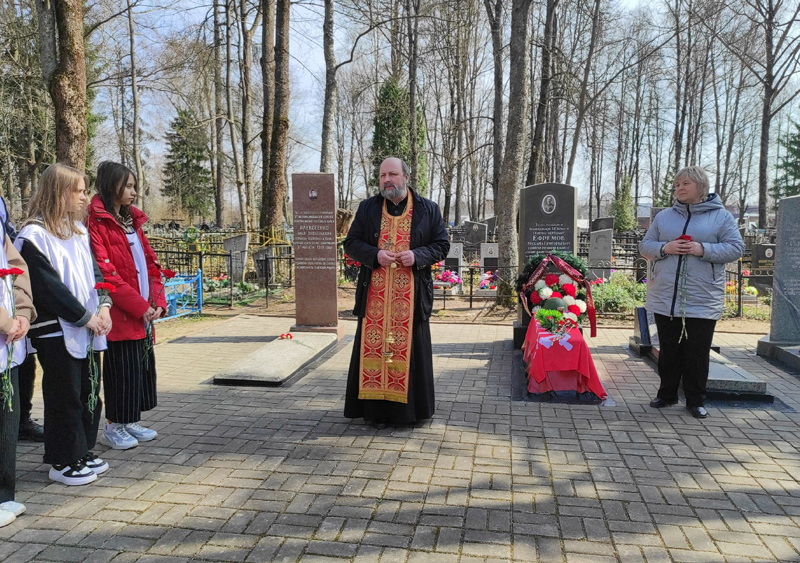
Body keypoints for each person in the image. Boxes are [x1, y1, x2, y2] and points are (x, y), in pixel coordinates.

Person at [15, 163, 113, 485]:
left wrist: (105, 307)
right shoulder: (33, 237)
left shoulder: (79, 232)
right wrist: (87, 318)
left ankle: (81, 449)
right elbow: (48, 289)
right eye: (80, 191)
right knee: (64, 394)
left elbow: (96, 276)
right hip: (57, 329)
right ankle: (61, 459)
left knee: (88, 391)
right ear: (59, 193)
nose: (86, 197)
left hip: (89, 326)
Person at [343, 157, 449, 428]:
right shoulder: (368, 208)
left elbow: (441, 245)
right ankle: (376, 413)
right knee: (374, 350)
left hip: (411, 297)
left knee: (410, 351)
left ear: (406, 177)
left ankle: (409, 413)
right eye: (382, 175)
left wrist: (418, 255)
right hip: (375, 295)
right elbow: (351, 243)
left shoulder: (428, 209)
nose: (386, 180)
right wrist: (375, 254)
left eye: (392, 174)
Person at [640, 166, 744, 418]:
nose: (680, 188)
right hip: (667, 296)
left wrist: (702, 249)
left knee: (697, 353)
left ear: (700, 186)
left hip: (702, 297)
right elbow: (645, 246)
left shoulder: (720, 217)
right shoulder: (664, 217)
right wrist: (667, 247)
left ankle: (696, 399)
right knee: (669, 350)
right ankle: (666, 394)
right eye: (677, 185)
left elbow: (735, 248)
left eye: (685, 183)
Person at [88, 161, 165, 449]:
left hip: (142, 310)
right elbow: (107, 273)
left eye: (134, 186)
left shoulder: (132, 220)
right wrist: (139, 306)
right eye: (129, 186)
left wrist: (156, 301)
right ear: (112, 186)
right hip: (121, 312)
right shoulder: (96, 221)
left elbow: (150, 263)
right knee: (121, 369)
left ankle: (129, 420)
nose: (134, 192)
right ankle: (113, 425)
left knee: (138, 369)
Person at [0, 195, 36, 526]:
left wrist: (22, 312)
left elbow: (15, 264)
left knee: (7, 420)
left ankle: (3, 496)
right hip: (4, 328)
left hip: (8, 338)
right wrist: (5, 320)